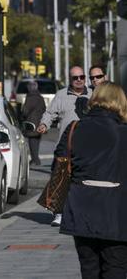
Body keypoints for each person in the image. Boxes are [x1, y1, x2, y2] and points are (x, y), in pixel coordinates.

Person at [60, 82, 127, 279]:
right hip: (118, 211)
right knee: (116, 268)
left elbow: (60, 166)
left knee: (89, 268)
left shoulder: (74, 129)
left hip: (81, 209)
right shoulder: (123, 132)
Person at [37, 66, 92, 227]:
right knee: (61, 179)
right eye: (75, 78)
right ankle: (59, 213)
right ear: (70, 79)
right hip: (65, 146)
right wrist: (44, 124)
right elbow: (50, 113)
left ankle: (81, 212)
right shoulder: (61, 95)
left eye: (82, 77)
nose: (79, 80)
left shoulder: (92, 95)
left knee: (83, 181)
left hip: (87, 147)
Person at [21, 80, 46, 166]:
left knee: (32, 142)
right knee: (36, 142)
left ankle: (36, 159)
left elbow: (25, 111)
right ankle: (34, 159)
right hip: (39, 123)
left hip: (31, 123)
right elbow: (44, 110)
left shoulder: (29, 98)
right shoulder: (40, 98)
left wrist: (22, 116)